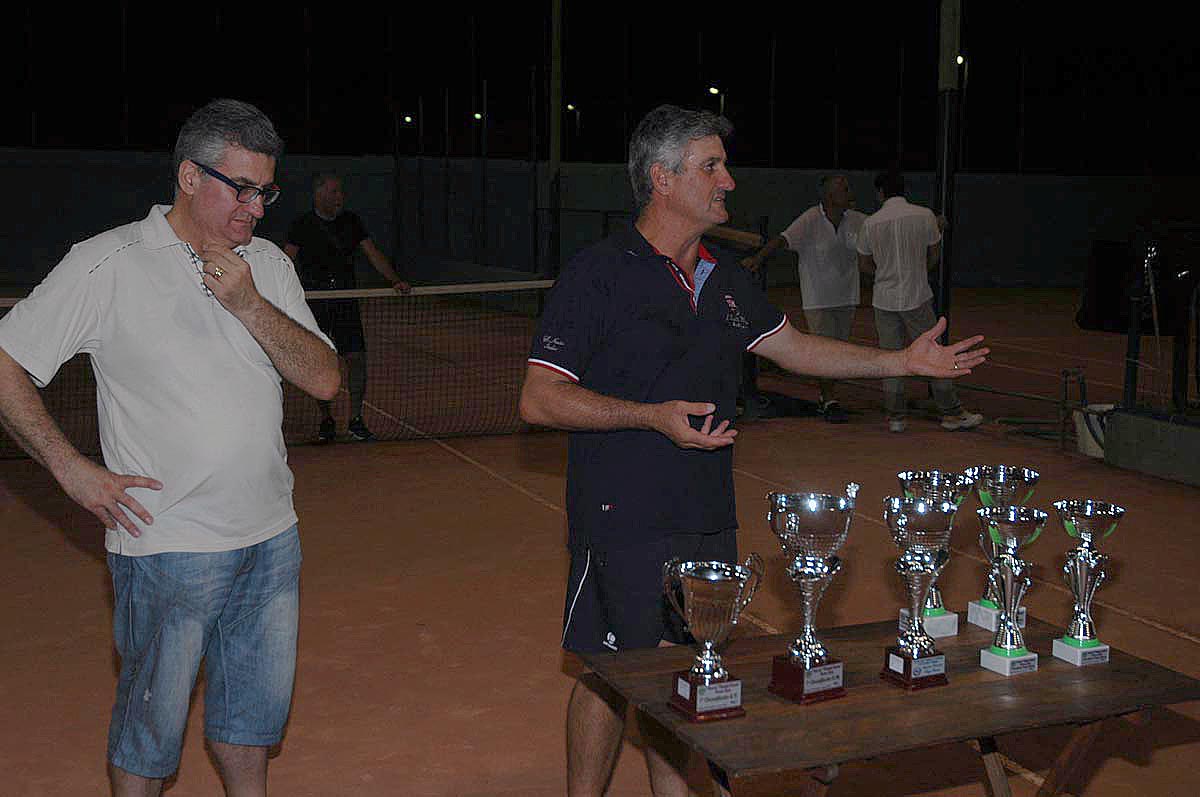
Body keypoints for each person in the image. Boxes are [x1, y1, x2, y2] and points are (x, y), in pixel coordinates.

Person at [518, 105, 988, 797]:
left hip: (707, 514)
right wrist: (651, 417)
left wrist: (901, 362)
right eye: (710, 166)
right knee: (613, 673)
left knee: (682, 669)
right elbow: (539, 398)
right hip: (622, 514)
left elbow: (795, 349)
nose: (728, 181)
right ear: (662, 179)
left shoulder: (725, 276)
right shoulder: (600, 273)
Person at [0, 99, 340, 796]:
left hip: (271, 539)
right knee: (150, 733)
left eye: (266, 192)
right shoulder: (108, 262)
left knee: (251, 723)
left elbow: (325, 378)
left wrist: (249, 303)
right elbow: (6, 361)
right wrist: (70, 469)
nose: (256, 208)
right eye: (241, 189)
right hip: (167, 547)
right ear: (189, 176)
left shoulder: (267, 265)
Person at [284, 173, 410, 442]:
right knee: (319, 363)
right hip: (316, 304)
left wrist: (394, 280)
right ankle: (326, 419)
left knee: (357, 359)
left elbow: (373, 254)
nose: (339, 197)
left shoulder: (352, 222)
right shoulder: (302, 225)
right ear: (319, 194)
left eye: (340, 192)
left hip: (346, 302)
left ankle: (356, 420)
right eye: (334, 192)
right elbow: (286, 261)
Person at [856, 170, 983, 433]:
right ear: (904, 189)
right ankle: (951, 413)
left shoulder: (871, 223)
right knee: (934, 355)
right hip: (917, 296)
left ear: (880, 193)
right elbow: (934, 255)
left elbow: (864, 264)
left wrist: (884, 275)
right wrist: (917, 272)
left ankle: (896, 417)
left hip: (884, 299)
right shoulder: (924, 215)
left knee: (890, 358)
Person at [741, 174, 866, 422]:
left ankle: (827, 396)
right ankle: (829, 399)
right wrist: (757, 259)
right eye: (843, 188)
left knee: (840, 350)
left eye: (847, 188)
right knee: (824, 351)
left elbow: (884, 227)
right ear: (828, 195)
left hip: (847, 297)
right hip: (818, 298)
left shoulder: (857, 220)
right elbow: (782, 239)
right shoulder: (810, 218)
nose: (849, 192)